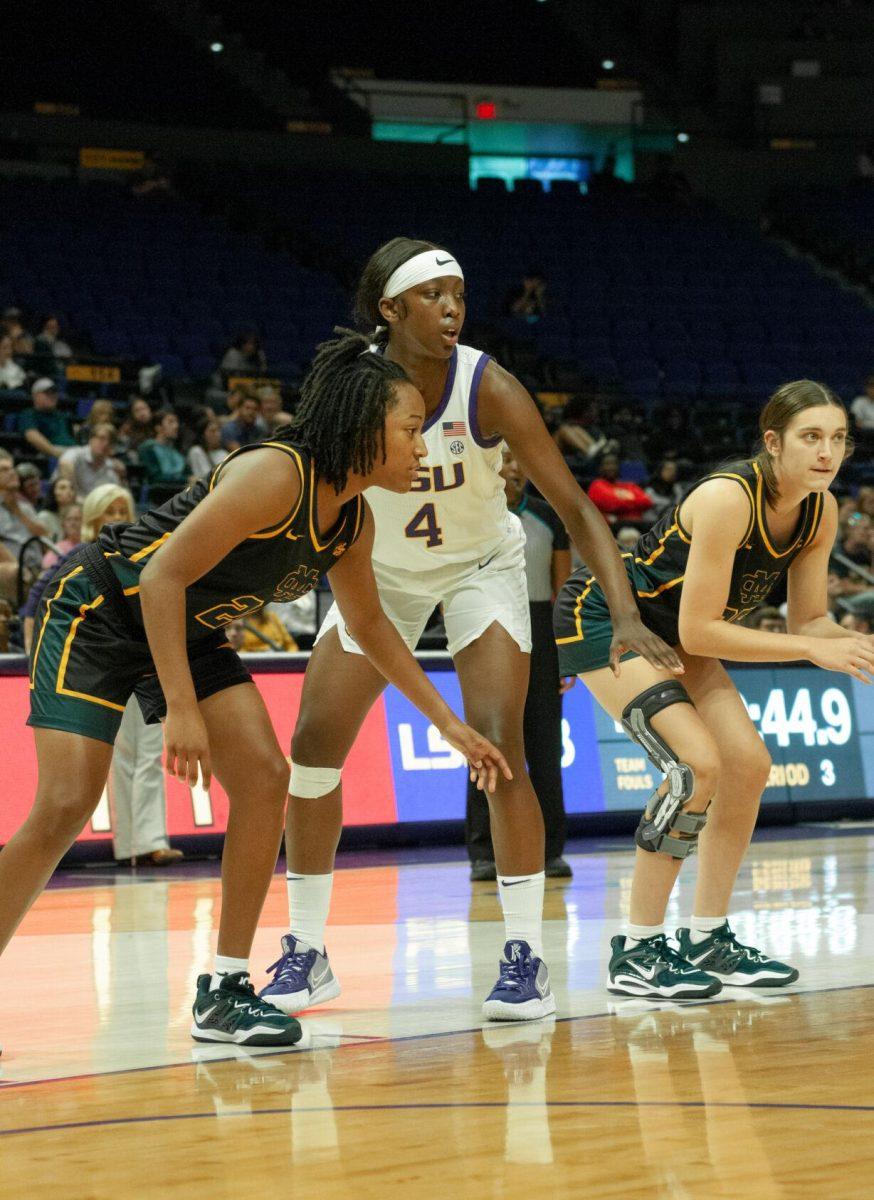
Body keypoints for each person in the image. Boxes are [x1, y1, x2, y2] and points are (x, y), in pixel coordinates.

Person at [0, 332, 511, 1053]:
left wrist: (447, 723)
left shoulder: (353, 522)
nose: (422, 447)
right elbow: (161, 579)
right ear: (365, 429)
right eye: (408, 430)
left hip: (188, 629)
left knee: (268, 779)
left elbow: (370, 626)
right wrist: (179, 707)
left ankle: (226, 988)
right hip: (102, 609)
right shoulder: (277, 475)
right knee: (62, 808)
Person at [260, 238, 681, 1025]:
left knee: (500, 739)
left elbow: (575, 505)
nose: (453, 307)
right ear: (390, 309)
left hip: (478, 568)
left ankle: (524, 959)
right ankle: (306, 952)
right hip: (375, 570)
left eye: (459, 293)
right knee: (313, 748)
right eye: (433, 295)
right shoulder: (350, 388)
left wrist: (624, 609)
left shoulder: (489, 385)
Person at [554, 379, 872, 999]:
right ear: (773, 442)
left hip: (677, 632)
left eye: (838, 439)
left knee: (748, 765)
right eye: (811, 437)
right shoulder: (729, 498)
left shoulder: (819, 507)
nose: (827, 452)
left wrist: (849, 644)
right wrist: (810, 648)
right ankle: (638, 949)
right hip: (610, 619)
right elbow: (703, 631)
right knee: (695, 766)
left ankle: (708, 935)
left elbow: (810, 619)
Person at [466, 447, 574, 882]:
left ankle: (550, 851)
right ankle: (483, 852)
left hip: (540, 627)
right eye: (504, 459)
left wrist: (566, 652)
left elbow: (562, 590)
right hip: (486, 625)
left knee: (545, 746)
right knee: (485, 742)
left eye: (518, 459)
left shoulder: (549, 518)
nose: (512, 467)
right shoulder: (471, 515)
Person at [58, 423, 126, 499]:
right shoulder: (76, 454)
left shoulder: (111, 469)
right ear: (91, 439)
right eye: (101, 438)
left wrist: (122, 478)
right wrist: (74, 496)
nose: (106, 443)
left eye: (110, 441)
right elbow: (65, 464)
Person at [16, 379, 75, 461]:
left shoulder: (62, 416)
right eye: (47, 393)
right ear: (35, 396)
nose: (52, 396)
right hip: (53, 454)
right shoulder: (29, 414)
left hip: (73, 451)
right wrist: (56, 453)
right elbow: (32, 436)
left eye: (54, 393)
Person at [588, 453, 654, 525]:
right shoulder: (597, 485)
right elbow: (611, 504)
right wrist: (632, 500)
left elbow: (647, 502)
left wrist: (622, 502)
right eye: (607, 464)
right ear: (600, 468)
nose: (611, 467)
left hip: (638, 523)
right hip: (613, 528)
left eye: (614, 464)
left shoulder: (629, 485)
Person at [187, 414, 228, 479]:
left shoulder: (223, 453)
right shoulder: (196, 451)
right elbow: (203, 476)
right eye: (212, 431)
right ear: (203, 435)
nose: (217, 434)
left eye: (218, 430)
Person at [36, 475, 76, 541]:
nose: (69, 491)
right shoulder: (44, 517)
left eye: (71, 488)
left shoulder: (78, 516)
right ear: (53, 493)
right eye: (62, 488)